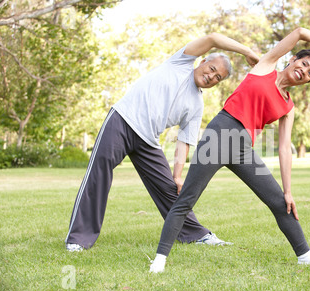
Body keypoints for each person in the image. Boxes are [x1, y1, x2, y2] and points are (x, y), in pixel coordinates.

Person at [149, 27, 310, 272]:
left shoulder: (288, 106)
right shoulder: (266, 65)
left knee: (279, 202)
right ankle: (159, 260)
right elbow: (298, 32)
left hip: (243, 148)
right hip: (219, 134)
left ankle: (305, 256)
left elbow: (285, 150)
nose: (303, 71)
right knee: (187, 199)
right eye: (304, 63)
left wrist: (288, 191)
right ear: (293, 59)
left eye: (309, 73)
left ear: (308, 80)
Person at [65, 33, 260, 251]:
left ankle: (196, 234)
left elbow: (184, 141)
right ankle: (78, 239)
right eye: (212, 69)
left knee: (170, 188)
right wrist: (248, 52)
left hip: (148, 140)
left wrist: (177, 176)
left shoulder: (196, 105)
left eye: (218, 78)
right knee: (99, 173)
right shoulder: (181, 62)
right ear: (203, 61)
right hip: (122, 120)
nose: (211, 77)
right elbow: (213, 38)